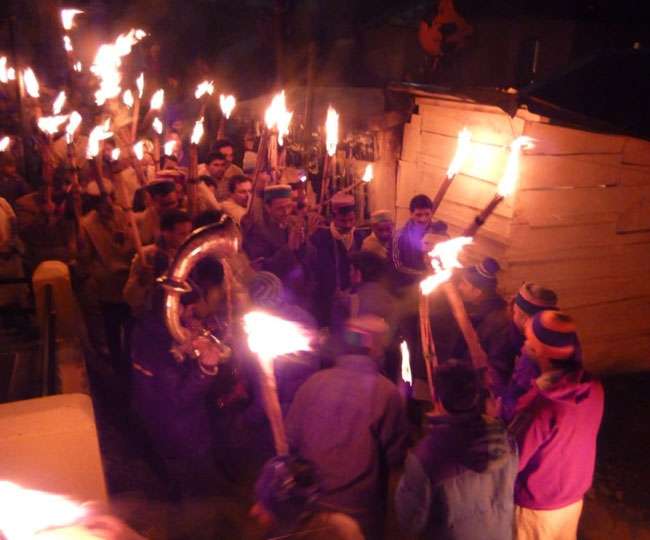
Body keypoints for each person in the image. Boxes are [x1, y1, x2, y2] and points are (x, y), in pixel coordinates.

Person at [285, 315, 408, 539]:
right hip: (359, 513)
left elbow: (289, 440)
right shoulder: (386, 393)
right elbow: (394, 457)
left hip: (310, 507)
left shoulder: (313, 383)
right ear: (377, 348)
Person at [130, 256, 231, 498]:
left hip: (176, 427)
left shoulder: (152, 329)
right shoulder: (156, 343)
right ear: (176, 309)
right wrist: (205, 369)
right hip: (179, 432)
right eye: (192, 311)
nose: (195, 318)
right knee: (194, 485)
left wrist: (189, 345)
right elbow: (177, 398)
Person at [395, 361, 518, 540]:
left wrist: (406, 481)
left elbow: (411, 522)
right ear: (476, 396)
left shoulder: (426, 456)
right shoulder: (507, 441)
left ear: (438, 399)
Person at [510, 311, 604, 540]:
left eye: (529, 340)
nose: (524, 344)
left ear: (541, 351)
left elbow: (513, 460)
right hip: (571, 497)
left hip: (537, 507)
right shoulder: (592, 388)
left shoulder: (542, 406)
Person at [78, 190, 135, 377]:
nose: (107, 206)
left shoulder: (123, 214)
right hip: (108, 285)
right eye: (102, 203)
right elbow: (85, 257)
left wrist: (126, 239)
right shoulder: (86, 224)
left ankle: (131, 359)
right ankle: (117, 364)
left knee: (132, 325)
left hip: (129, 280)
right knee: (111, 325)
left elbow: (135, 240)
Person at [250, 455, 364, 540]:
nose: (253, 511)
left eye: (264, 504)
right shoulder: (344, 526)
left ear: (285, 509)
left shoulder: (340, 530)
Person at [306, 193, 368, 329]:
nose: (348, 225)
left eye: (351, 220)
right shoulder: (320, 238)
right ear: (333, 219)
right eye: (343, 221)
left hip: (354, 300)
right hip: (328, 303)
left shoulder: (360, 236)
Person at [501, 283, 561, 423]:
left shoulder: (532, 355)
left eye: (515, 312)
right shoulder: (559, 334)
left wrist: (500, 410)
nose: (511, 315)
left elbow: (519, 400)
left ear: (525, 319)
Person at [455, 257, 513, 397]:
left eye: (464, 283)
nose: (459, 287)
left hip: (482, 393)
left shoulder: (497, 323)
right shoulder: (476, 311)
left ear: (477, 291)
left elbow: (498, 369)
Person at [242, 184, 307, 301]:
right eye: (280, 208)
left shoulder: (293, 222)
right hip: (274, 295)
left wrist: (304, 243)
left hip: (298, 290)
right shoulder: (257, 231)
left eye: (289, 207)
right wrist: (289, 248)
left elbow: (307, 257)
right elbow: (263, 268)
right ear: (267, 207)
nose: (286, 212)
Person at [123, 209, 192, 318]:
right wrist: (141, 282)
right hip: (152, 320)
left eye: (189, 233)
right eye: (182, 234)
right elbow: (130, 298)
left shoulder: (190, 256)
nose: (187, 238)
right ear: (166, 233)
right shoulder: (147, 256)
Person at [392, 194, 447, 286]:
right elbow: (397, 265)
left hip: (435, 284)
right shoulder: (400, 236)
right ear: (411, 213)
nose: (423, 219)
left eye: (427, 214)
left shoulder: (440, 234)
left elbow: (446, 258)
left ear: (432, 213)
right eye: (418, 215)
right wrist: (423, 274)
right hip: (408, 286)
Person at [135, 175, 179, 246]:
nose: (170, 208)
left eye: (173, 203)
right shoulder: (141, 220)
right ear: (153, 201)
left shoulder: (182, 215)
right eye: (165, 204)